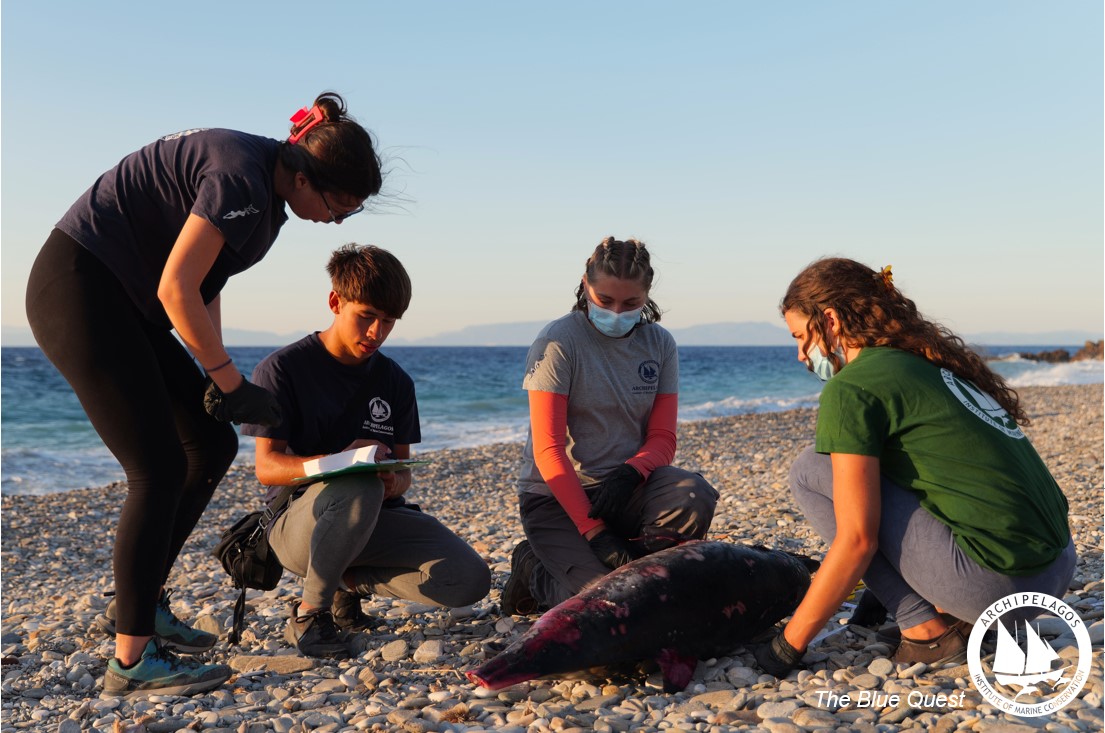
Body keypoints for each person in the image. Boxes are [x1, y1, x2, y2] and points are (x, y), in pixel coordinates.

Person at [25, 92, 384, 697]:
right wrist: (229, 381)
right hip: (81, 288)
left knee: (209, 440)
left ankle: (139, 605)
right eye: (337, 206)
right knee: (158, 466)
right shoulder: (241, 179)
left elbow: (203, 282)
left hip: (123, 303)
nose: (337, 221)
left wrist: (219, 377)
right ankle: (132, 662)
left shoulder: (264, 188)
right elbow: (175, 289)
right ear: (303, 176)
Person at [755, 257, 1076, 677]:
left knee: (811, 469)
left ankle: (924, 629)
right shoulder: (929, 365)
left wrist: (786, 646)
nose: (800, 355)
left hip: (998, 590)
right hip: (1055, 572)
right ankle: (945, 611)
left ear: (829, 320)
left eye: (801, 337)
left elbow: (856, 541)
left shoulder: (852, 387)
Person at [241, 244, 491, 658]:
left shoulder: (396, 381)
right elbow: (267, 469)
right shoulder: (281, 369)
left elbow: (404, 473)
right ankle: (309, 615)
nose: (377, 332)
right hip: (296, 525)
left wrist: (393, 480)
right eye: (367, 316)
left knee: (469, 580)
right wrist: (341, 463)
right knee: (356, 481)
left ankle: (343, 583)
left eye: (389, 321)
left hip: (375, 516)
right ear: (335, 302)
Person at [502, 237, 720, 615]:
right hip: (556, 496)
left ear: (646, 296)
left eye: (630, 304)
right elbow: (548, 449)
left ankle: (640, 567)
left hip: (627, 488)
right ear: (586, 285)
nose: (617, 312)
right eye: (605, 301)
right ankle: (533, 569)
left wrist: (630, 472)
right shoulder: (557, 342)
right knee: (602, 605)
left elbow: (663, 439)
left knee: (693, 494)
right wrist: (595, 532)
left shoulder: (660, 344)